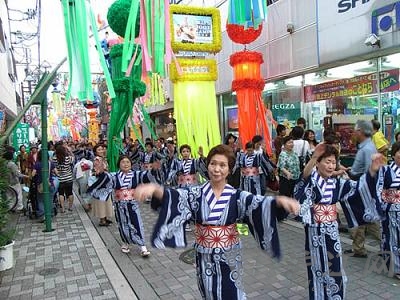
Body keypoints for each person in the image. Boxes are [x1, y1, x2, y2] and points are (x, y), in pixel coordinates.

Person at [134, 144, 299, 299]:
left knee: (232, 291)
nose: (217, 169)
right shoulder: (195, 192)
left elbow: (257, 203)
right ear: (207, 165)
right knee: (209, 291)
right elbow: (177, 196)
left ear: (230, 169)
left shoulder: (236, 195)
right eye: (213, 163)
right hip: (205, 254)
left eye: (222, 165)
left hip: (230, 254)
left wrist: (278, 202)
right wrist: (157, 190)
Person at [294, 143, 383, 299]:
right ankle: (319, 296)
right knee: (317, 265)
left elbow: (359, 188)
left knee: (335, 264)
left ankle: (335, 296)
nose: (331, 166)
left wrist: (372, 172)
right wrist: (314, 157)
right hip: (315, 230)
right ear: (318, 163)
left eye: (333, 162)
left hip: (332, 230)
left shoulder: (338, 183)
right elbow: (305, 176)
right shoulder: (313, 179)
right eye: (327, 162)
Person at [88, 155, 154, 256]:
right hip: (120, 205)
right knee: (122, 224)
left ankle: (142, 246)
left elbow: (148, 176)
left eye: (128, 162)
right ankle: (125, 242)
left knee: (136, 223)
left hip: (133, 205)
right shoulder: (114, 176)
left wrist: (153, 170)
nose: (126, 164)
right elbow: (104, 179)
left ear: (131, 164)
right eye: (123, 162)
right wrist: (100, 171)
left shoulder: (137, 174)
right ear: (119, 164)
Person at [345, 120, 381, 258]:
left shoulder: (367, 148)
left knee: (365, 219)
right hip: (361, 188)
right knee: (364, 219)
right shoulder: (366, 146)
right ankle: (359, 248)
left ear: (360, 131)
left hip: (361, 189)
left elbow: (370, 172)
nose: (354, 133)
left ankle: (385, 244)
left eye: (355, 130)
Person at [373, 141, 400, 280]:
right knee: (392, 238)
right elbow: (378, 189)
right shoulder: (385, 170)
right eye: (399, 152)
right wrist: (380, 206)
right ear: (393, 154)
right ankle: (396, 268)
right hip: (390, 209)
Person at [91, 144, 113, 226]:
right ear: (95, 151)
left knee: (106, 200)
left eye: (102, 149)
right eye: (99, 150)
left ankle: (105, 218)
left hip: (106, 183)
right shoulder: (97, 159)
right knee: (101, 201)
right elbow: (98, 172)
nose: (101, 151)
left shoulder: (103, 159)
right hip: (101, 183)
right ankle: (102, 220)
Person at [55, 144, 75, 213]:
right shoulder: (68, 158)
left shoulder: (55, 159)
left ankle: (63, 208)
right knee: (70, 193)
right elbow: (73, 157)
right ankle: (70, 207)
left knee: (61, 194)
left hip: (60, 179)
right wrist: (69, 150)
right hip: (69, 178)